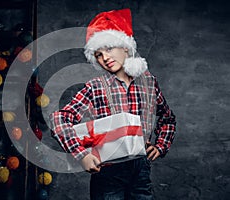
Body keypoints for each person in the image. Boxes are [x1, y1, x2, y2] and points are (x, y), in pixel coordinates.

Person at [49, 8, 176, 200]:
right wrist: (81, 154)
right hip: (108, 171)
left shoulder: (149, 83)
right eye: (98, 54)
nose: (105, 58)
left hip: (141, 169)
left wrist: (160, 145)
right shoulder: (95, 87)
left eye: (109, 49)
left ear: (125, 46)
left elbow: (168, 119)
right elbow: (59, 120)